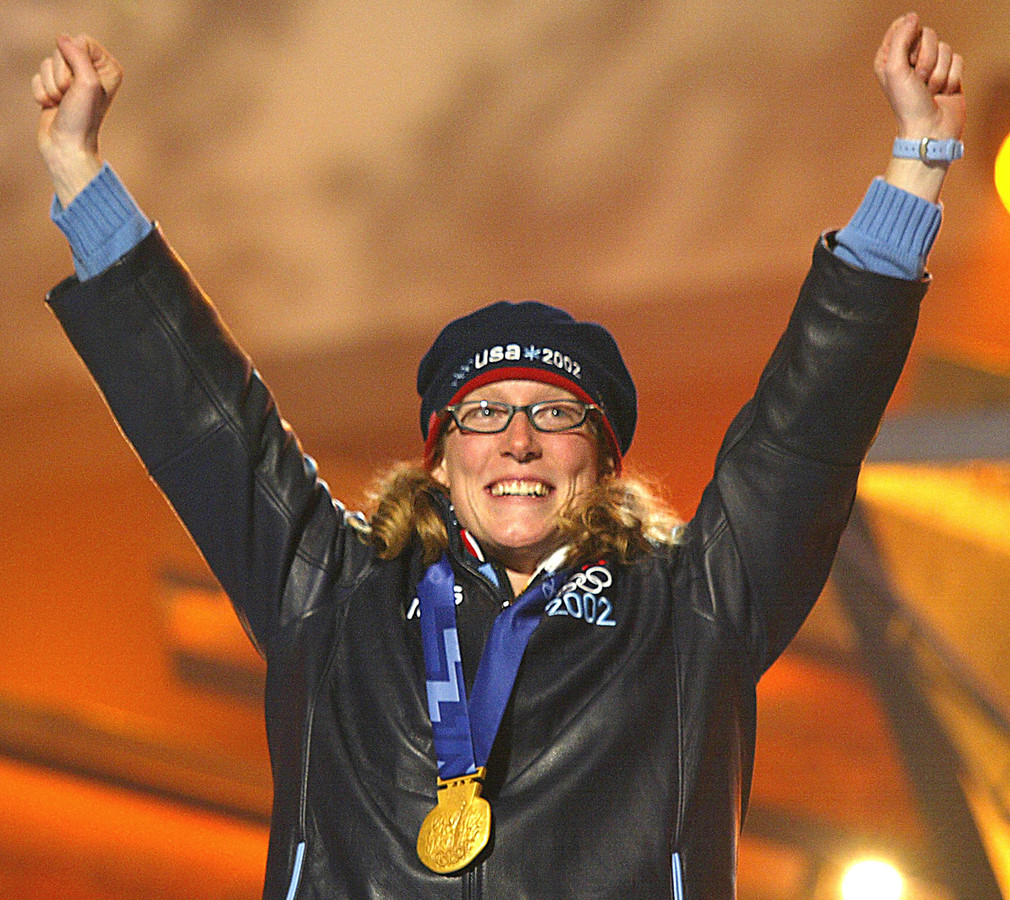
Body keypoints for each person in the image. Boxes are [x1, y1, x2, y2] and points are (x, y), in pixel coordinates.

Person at [32, 13, 964, 899]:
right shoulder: (332, 589)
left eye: (555, 414)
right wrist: (79, 173)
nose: (518, 438)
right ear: (439, 461)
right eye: (483, 416)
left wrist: (918, 162)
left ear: (601, 460)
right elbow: (201, 420)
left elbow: (805, 434)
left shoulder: (695, 607)